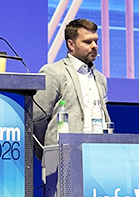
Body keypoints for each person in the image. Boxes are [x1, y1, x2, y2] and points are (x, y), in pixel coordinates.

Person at [33, 18, 111, 159]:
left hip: (98, 155)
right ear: (71, 45)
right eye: (88, 42)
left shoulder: (100, 78)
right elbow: (37, 119)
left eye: (96, 41)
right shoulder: (53, 72)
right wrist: (48, 154)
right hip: (63, 156)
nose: (94, 46)